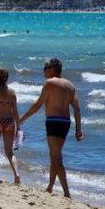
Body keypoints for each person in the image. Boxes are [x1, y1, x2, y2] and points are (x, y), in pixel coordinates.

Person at [19, 58, 84, 198]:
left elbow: (37, 105)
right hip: (65, 122)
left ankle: (67, 193)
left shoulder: (50, 83)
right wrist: (78, 129)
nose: (43, 70)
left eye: (45, 67)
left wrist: (21, 119)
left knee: (56, 157)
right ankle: (50, 187)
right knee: (54, 155)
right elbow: (77, 109)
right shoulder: (70, 85)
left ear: (52, 69)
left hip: (53, 121)